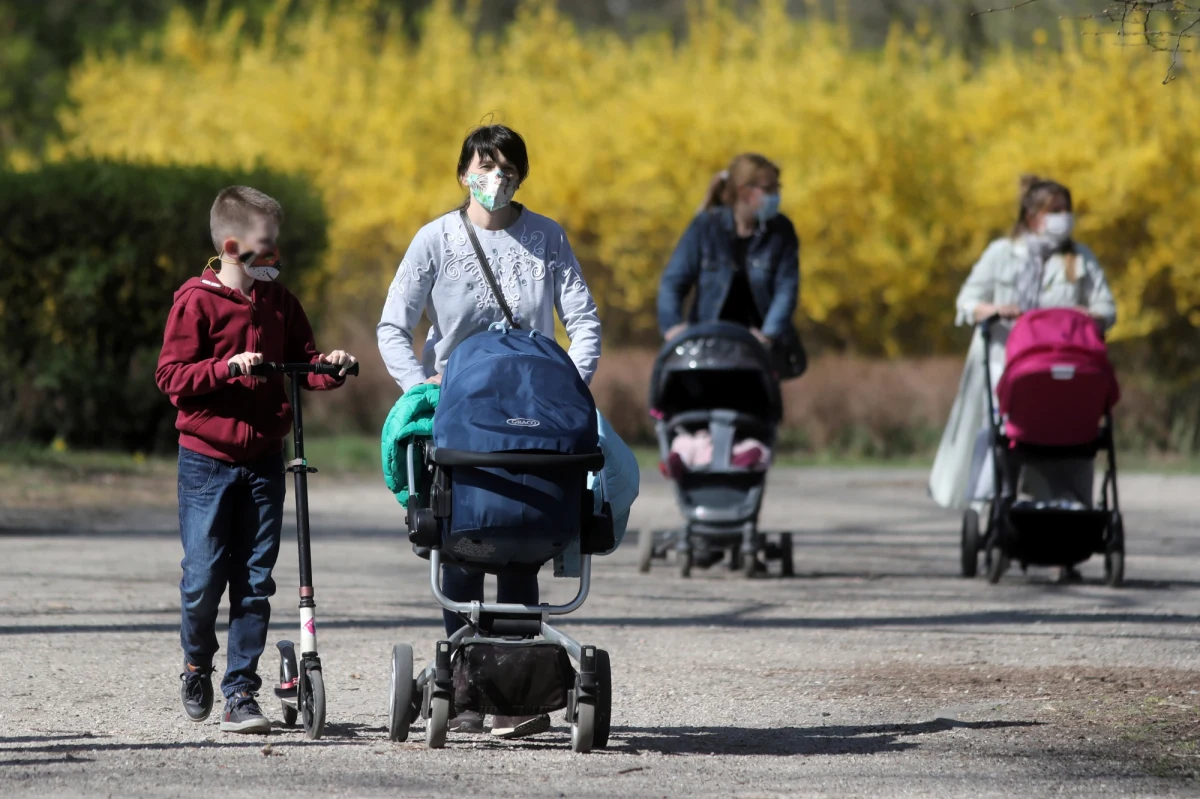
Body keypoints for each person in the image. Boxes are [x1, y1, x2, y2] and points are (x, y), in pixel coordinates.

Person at [377, 124, 605, 740]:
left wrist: (570, 387)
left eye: (508, 168)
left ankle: (514, 689)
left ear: (522, 176)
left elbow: (583, 321)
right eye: (486, 165)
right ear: (463, 172)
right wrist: (422, 389)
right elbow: (393, 327)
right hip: (460, 411)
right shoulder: (436, 240)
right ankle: (469, 687)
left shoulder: (546, 238)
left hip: (537, 413)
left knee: (526, 533)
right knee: (461, 541)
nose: (496, 177)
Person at [156, 187, 356, 733]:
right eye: (266, 248)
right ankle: (197, 663)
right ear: (232, 245)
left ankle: (241, 691)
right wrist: (226, 368)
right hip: (206, 461)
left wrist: (330, 367)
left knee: (255, 580)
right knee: (202, 578)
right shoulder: (196, 302)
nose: (275, 257)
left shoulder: (280, 303)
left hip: (265, 460)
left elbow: (304, 364)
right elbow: (171, 378)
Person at [929, 175, 1116, 580]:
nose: (1064, 219)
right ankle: (1001, 520)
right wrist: (994, 308)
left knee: (1070, 442)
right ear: (1032, 217)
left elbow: (1107, 307)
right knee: (1006, 441)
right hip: (1004, 363)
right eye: (1055, 212)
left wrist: (1092, 317)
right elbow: (966, 301)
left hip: (1063, 370)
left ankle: (1068, 534)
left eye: (1067, 211)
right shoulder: (1002, 253)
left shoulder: (1079, 259)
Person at [656, 153, 805, 378]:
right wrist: (672, 328)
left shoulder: (781, 232)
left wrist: (768, 335)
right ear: (745, 191)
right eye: (769, 189)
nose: (776, 196)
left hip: (759, 352)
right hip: (706, 349)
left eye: (778, 188)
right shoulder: (706, 226)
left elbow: (786, 289)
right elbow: (673, 282)